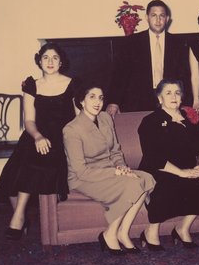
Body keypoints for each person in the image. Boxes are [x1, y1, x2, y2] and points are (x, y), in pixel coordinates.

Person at [0, 43, 78, 240]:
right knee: (11, 173)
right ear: (39, 61)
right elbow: (29, 120)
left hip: (60, 138)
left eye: (55, 57)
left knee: (35, 162)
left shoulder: (73, 84)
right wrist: (37, 136)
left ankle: (17, 219)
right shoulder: (31, 85)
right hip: (35, 134)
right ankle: (21, 217)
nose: (50, 62)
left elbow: (78, 117)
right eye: (46, 57)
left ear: (61, 62)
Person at [63, 84, 155, 254]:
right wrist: (116, 172)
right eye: (92, 97)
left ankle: (122, 232)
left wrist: (121, 166)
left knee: (145, 178)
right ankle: (109, 234)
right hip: (85, 177)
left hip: (111, 169)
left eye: (101, 97)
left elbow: (115, 150)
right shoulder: (71, 129)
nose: (98, 102)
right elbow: (80, 171)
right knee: (132, 185)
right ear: (82, 101)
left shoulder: (105, 117)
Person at [137, 79, 199, 250]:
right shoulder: (150, 121)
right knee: (166, 185)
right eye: (168, 93)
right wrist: (181, 173)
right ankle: (151, 231)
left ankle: (182, 229)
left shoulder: (190, 118)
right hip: (159, 168)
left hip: (188, 167)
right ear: (160, 98)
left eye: (177, 92)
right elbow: (153, 157)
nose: (173, 96)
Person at [106, 0, 188, 114]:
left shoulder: (178, 44)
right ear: (147, 17)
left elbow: (184, 76)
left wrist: (186, 103)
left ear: (167, 19)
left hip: (169, 100)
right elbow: (120, 74)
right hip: (138, 101)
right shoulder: (131, 42)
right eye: (154, 15)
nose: (158, 20)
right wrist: (114, 102)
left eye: (162, 16)